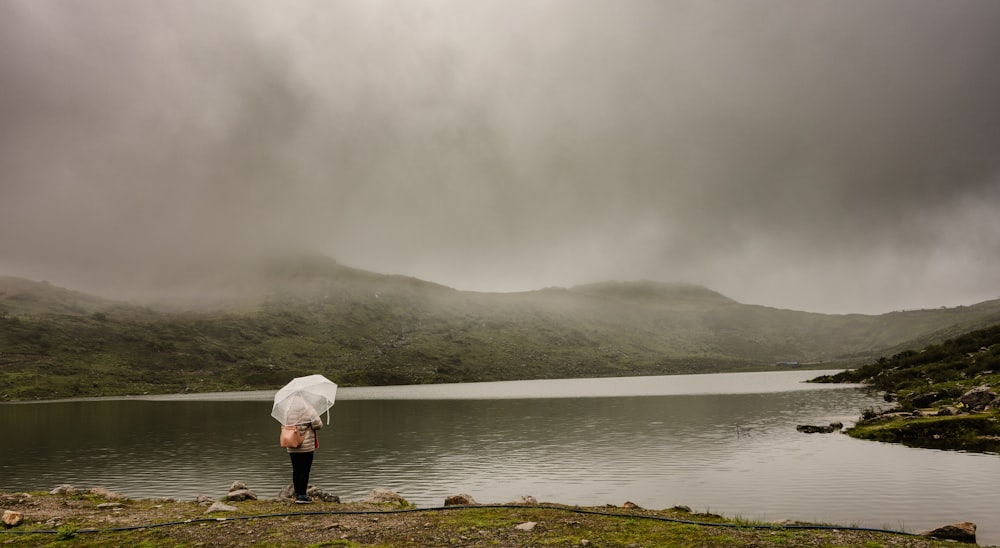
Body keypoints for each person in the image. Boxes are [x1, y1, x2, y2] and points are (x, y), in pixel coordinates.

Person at [284, 401, 323, 504]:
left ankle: (297, 494)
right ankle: (302, 495)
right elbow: (318, 425)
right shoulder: (309, 409)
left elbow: (284, 424)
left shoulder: (287, 410)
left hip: (292, 444)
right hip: (306, 446)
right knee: (305, 470)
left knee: (296, 470)